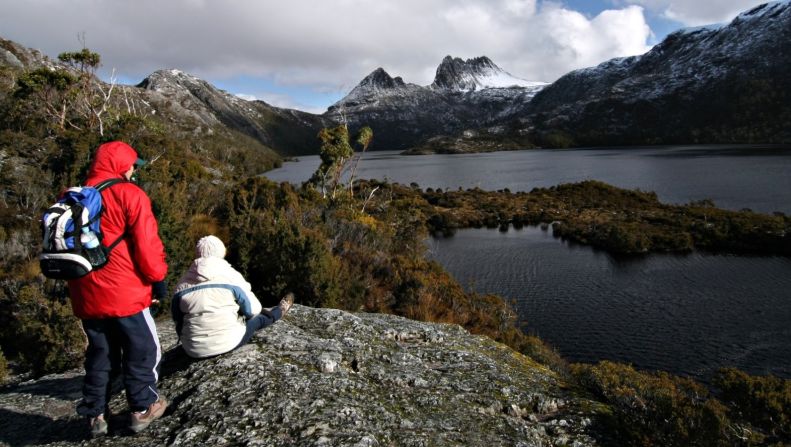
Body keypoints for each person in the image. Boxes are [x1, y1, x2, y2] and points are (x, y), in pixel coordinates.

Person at [67, 141, 169, 437]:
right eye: (132, 165)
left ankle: (95, 414)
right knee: (143, 348)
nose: (133, 170)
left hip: (85, 291)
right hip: (124, 292)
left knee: (101, 351)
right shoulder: (129, 194)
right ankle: (143, 407)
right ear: (123, 166)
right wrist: (157, 279)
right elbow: (148, 248)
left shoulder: (73, 196)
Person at [172, 235, 293, 359]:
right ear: (221, 252)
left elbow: (177, 320)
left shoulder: (181, 285)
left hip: (192, 350)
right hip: (228, 343)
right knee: (259, 319)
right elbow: (253, 311)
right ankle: (280, 311)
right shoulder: (231, 276)